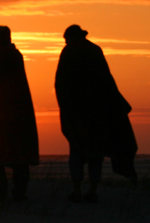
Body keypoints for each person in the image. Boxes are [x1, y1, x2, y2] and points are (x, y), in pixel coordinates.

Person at [55, 24, 138, 204]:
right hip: (97, 112)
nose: (66, 42)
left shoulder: (70, 52)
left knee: (79, 152)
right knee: (95, 154)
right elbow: (107, 80)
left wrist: (65, 107)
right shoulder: (94, 50)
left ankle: (79, 191)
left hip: (79, 113)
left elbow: (61, 83)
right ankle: (91, 191)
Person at [0, 26, 39, 201]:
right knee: (18, 155)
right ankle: (19, 192)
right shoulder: (15, 55)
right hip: (17, 112)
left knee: (0, 156)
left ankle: (1, 191)